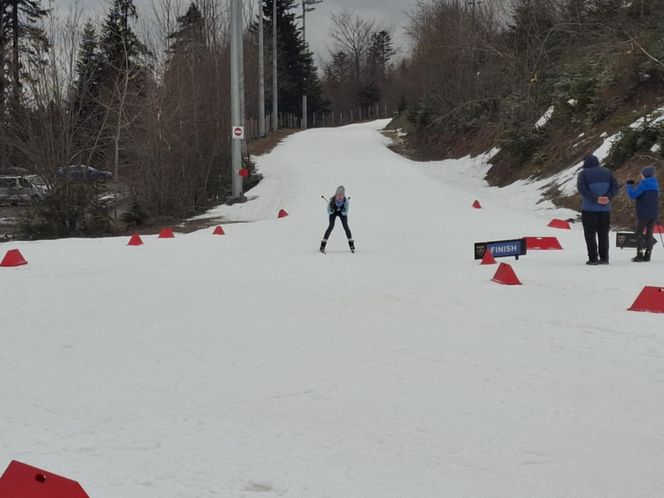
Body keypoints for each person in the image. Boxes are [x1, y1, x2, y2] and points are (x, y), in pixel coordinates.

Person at [576, 154, 620, 265]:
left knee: (590, 234)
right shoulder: (607, 172)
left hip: (589, 209)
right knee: (603, 234)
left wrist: (596, 198)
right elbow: (615, 186)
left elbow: (582, 189)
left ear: (585, 163)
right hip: (605, 209)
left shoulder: (583, 173)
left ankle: (593, 259)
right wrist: (607, 197)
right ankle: (604, 258)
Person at [626, 165, 660, 262]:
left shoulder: (643, 184)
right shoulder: (655, 184)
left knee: (639, 233)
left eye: (641, 174)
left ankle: (639, 254)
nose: (641, 175)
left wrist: (629, 185)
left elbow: (633, 195)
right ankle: (648, 254)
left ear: (644, 175)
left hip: (643, 214)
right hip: (653, 213)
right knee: (649, 234)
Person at [320, 186, 354, 253]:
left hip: (342, 213)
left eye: (341, 195)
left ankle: (351, 244)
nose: (340, 197)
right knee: (331, 226)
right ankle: (323, 244)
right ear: (336, 195)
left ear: (344, 195)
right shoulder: (332, 200)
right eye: (338, 195)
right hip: (333, 213)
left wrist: (342, 210)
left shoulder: (346, 201)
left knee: (345, 226)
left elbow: (346, 212)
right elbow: (328, 211)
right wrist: (332, 210)